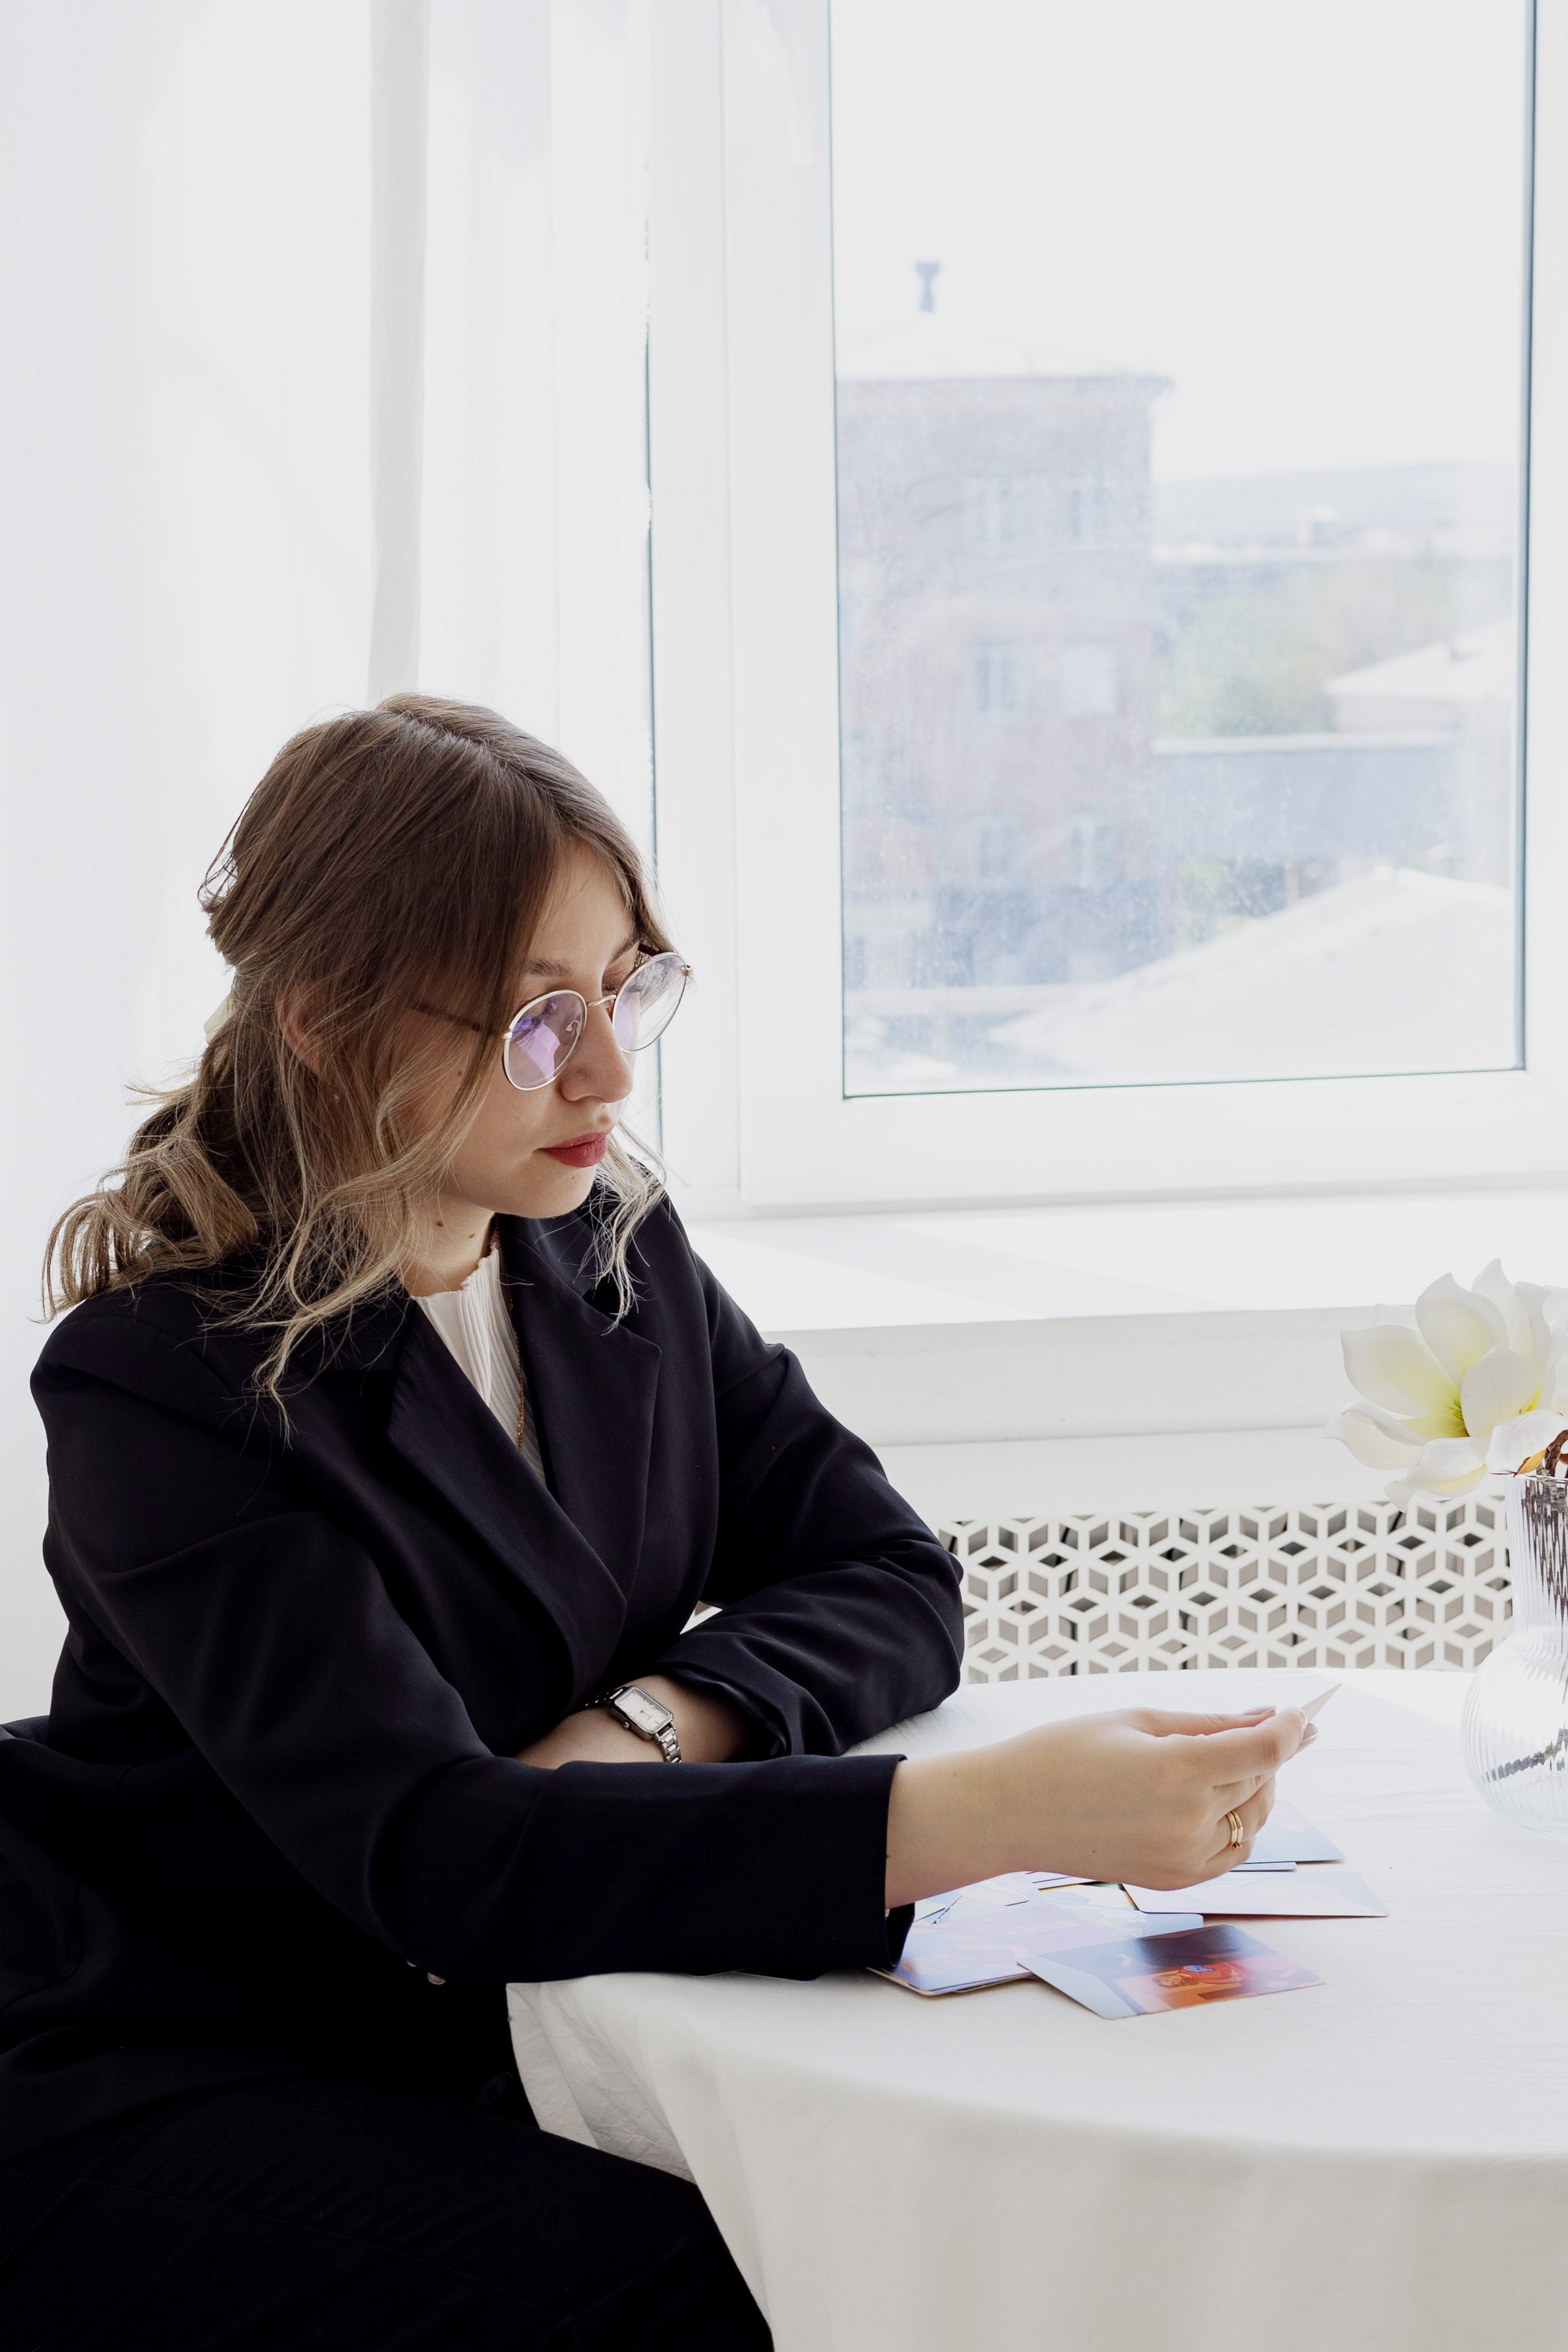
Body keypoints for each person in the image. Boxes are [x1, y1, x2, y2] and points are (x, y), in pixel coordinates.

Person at [0, 696, 1308, 2348]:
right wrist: (989, 1812)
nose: (609, 1070)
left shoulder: (603, 1244)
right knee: (720, 2281)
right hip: (186, 2053)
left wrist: (647, 1721)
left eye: (623, 991)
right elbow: (442, 1863)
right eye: (541, 1016)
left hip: (538, 2006)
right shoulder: (163, 1383)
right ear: (331, 1022)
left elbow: (888, 1570)